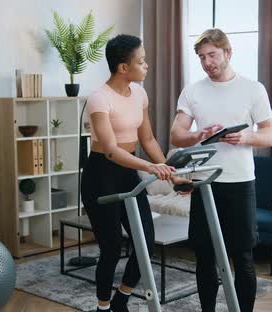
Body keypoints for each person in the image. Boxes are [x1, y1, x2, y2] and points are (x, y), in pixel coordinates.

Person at [170, 28, 272, 312]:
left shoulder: (253, 89)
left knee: (242, 256)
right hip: (204, 184)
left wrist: (246, 138)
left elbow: (270, 136)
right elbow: (176, 135)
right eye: (202, 57)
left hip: (240, 183)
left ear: (228, 53)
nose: (207, 62)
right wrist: (197, 135)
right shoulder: (192, 91)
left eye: (212, 55)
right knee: (205, 255)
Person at [81, 34, 185, 312]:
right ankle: (103, 307)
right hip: (101, 175)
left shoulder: (140, 93)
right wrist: (150, 167)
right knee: (112, 248)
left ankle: (121, 301)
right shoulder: (99, 98)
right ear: (123, 67)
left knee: (145, 243)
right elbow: (112, 150)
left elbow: (148, 139)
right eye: (141, 61)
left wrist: (170, 172)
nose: (146, 65)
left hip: (128, 174)